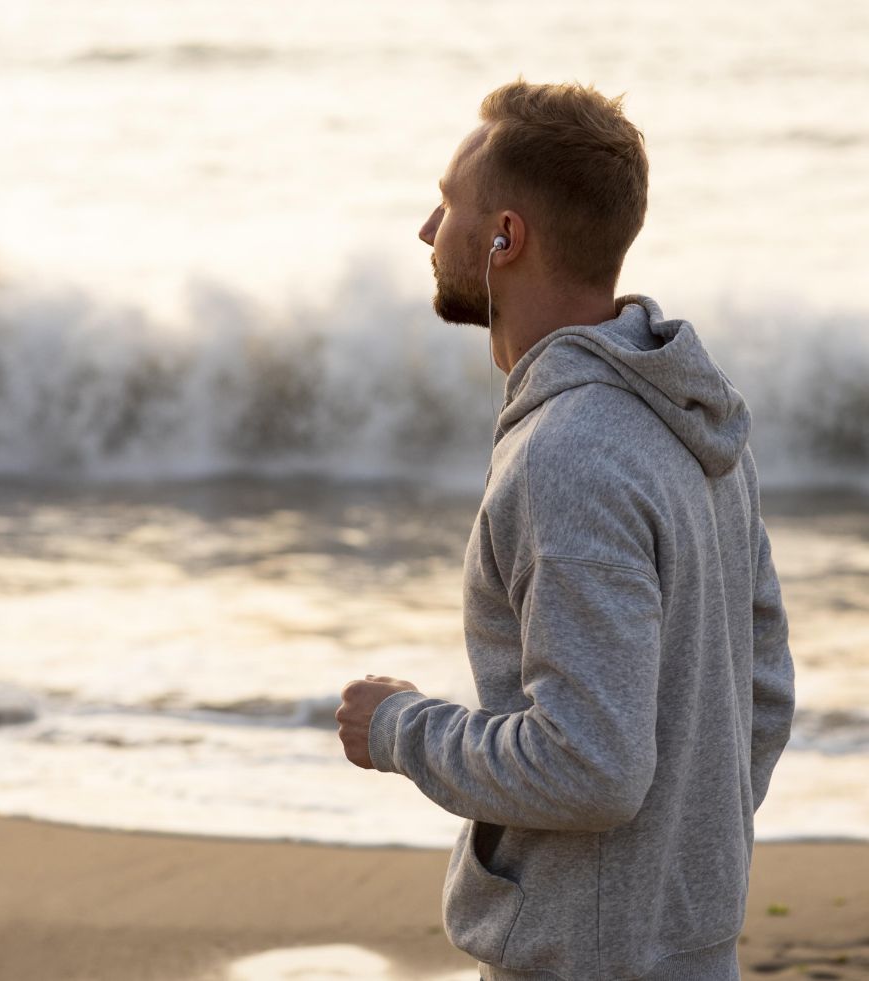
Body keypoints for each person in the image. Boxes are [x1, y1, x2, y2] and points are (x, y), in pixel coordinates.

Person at [336, 78, 795, 981]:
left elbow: (589, 765)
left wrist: (398, 728)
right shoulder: (693, 419)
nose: (429, 233)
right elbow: (765, 692)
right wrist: (674, 880)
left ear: (506, 236)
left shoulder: (570, 454)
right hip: (689, 954)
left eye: (448, 206)